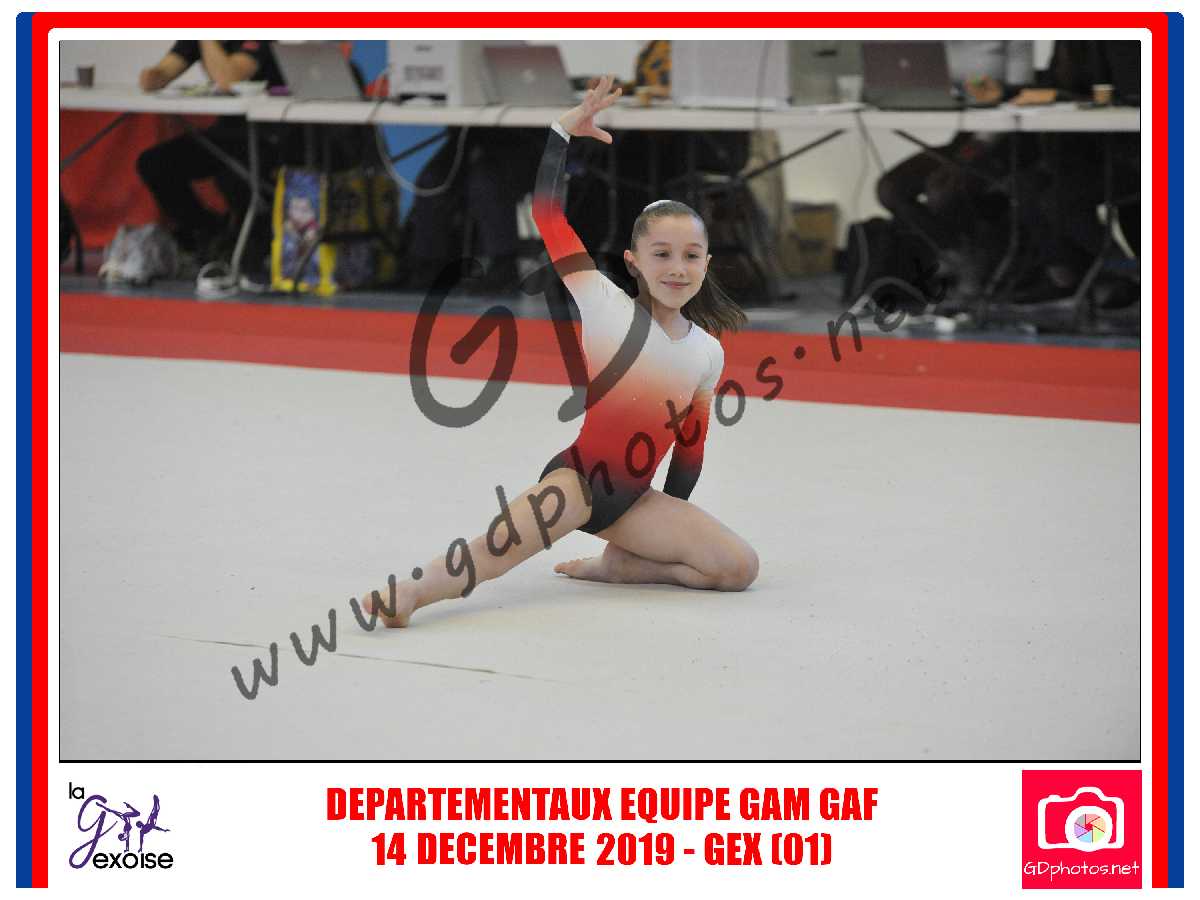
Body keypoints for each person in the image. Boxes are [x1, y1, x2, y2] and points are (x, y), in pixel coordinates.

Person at [363, 75, 759, 628]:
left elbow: (690, 450)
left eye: (691, 255)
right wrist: (562, 132)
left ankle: (622, 565)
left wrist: (669, 525)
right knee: (493, 550)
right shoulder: (602, 303)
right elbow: (549, 217)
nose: (677, 268)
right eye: (662, 254)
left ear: (707, 264)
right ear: (633, 261)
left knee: (739, 568)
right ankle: (410, 593)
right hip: (577, 486)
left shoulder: (706, 352)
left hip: (636, 501)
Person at [135, 40, 292, 257]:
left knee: (233, 178)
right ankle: (208, 229)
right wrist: (153, 77)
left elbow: (229, 79)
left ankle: (250, 245)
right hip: (225, 134)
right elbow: (162, 73)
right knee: (154, 163)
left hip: (267, 135)